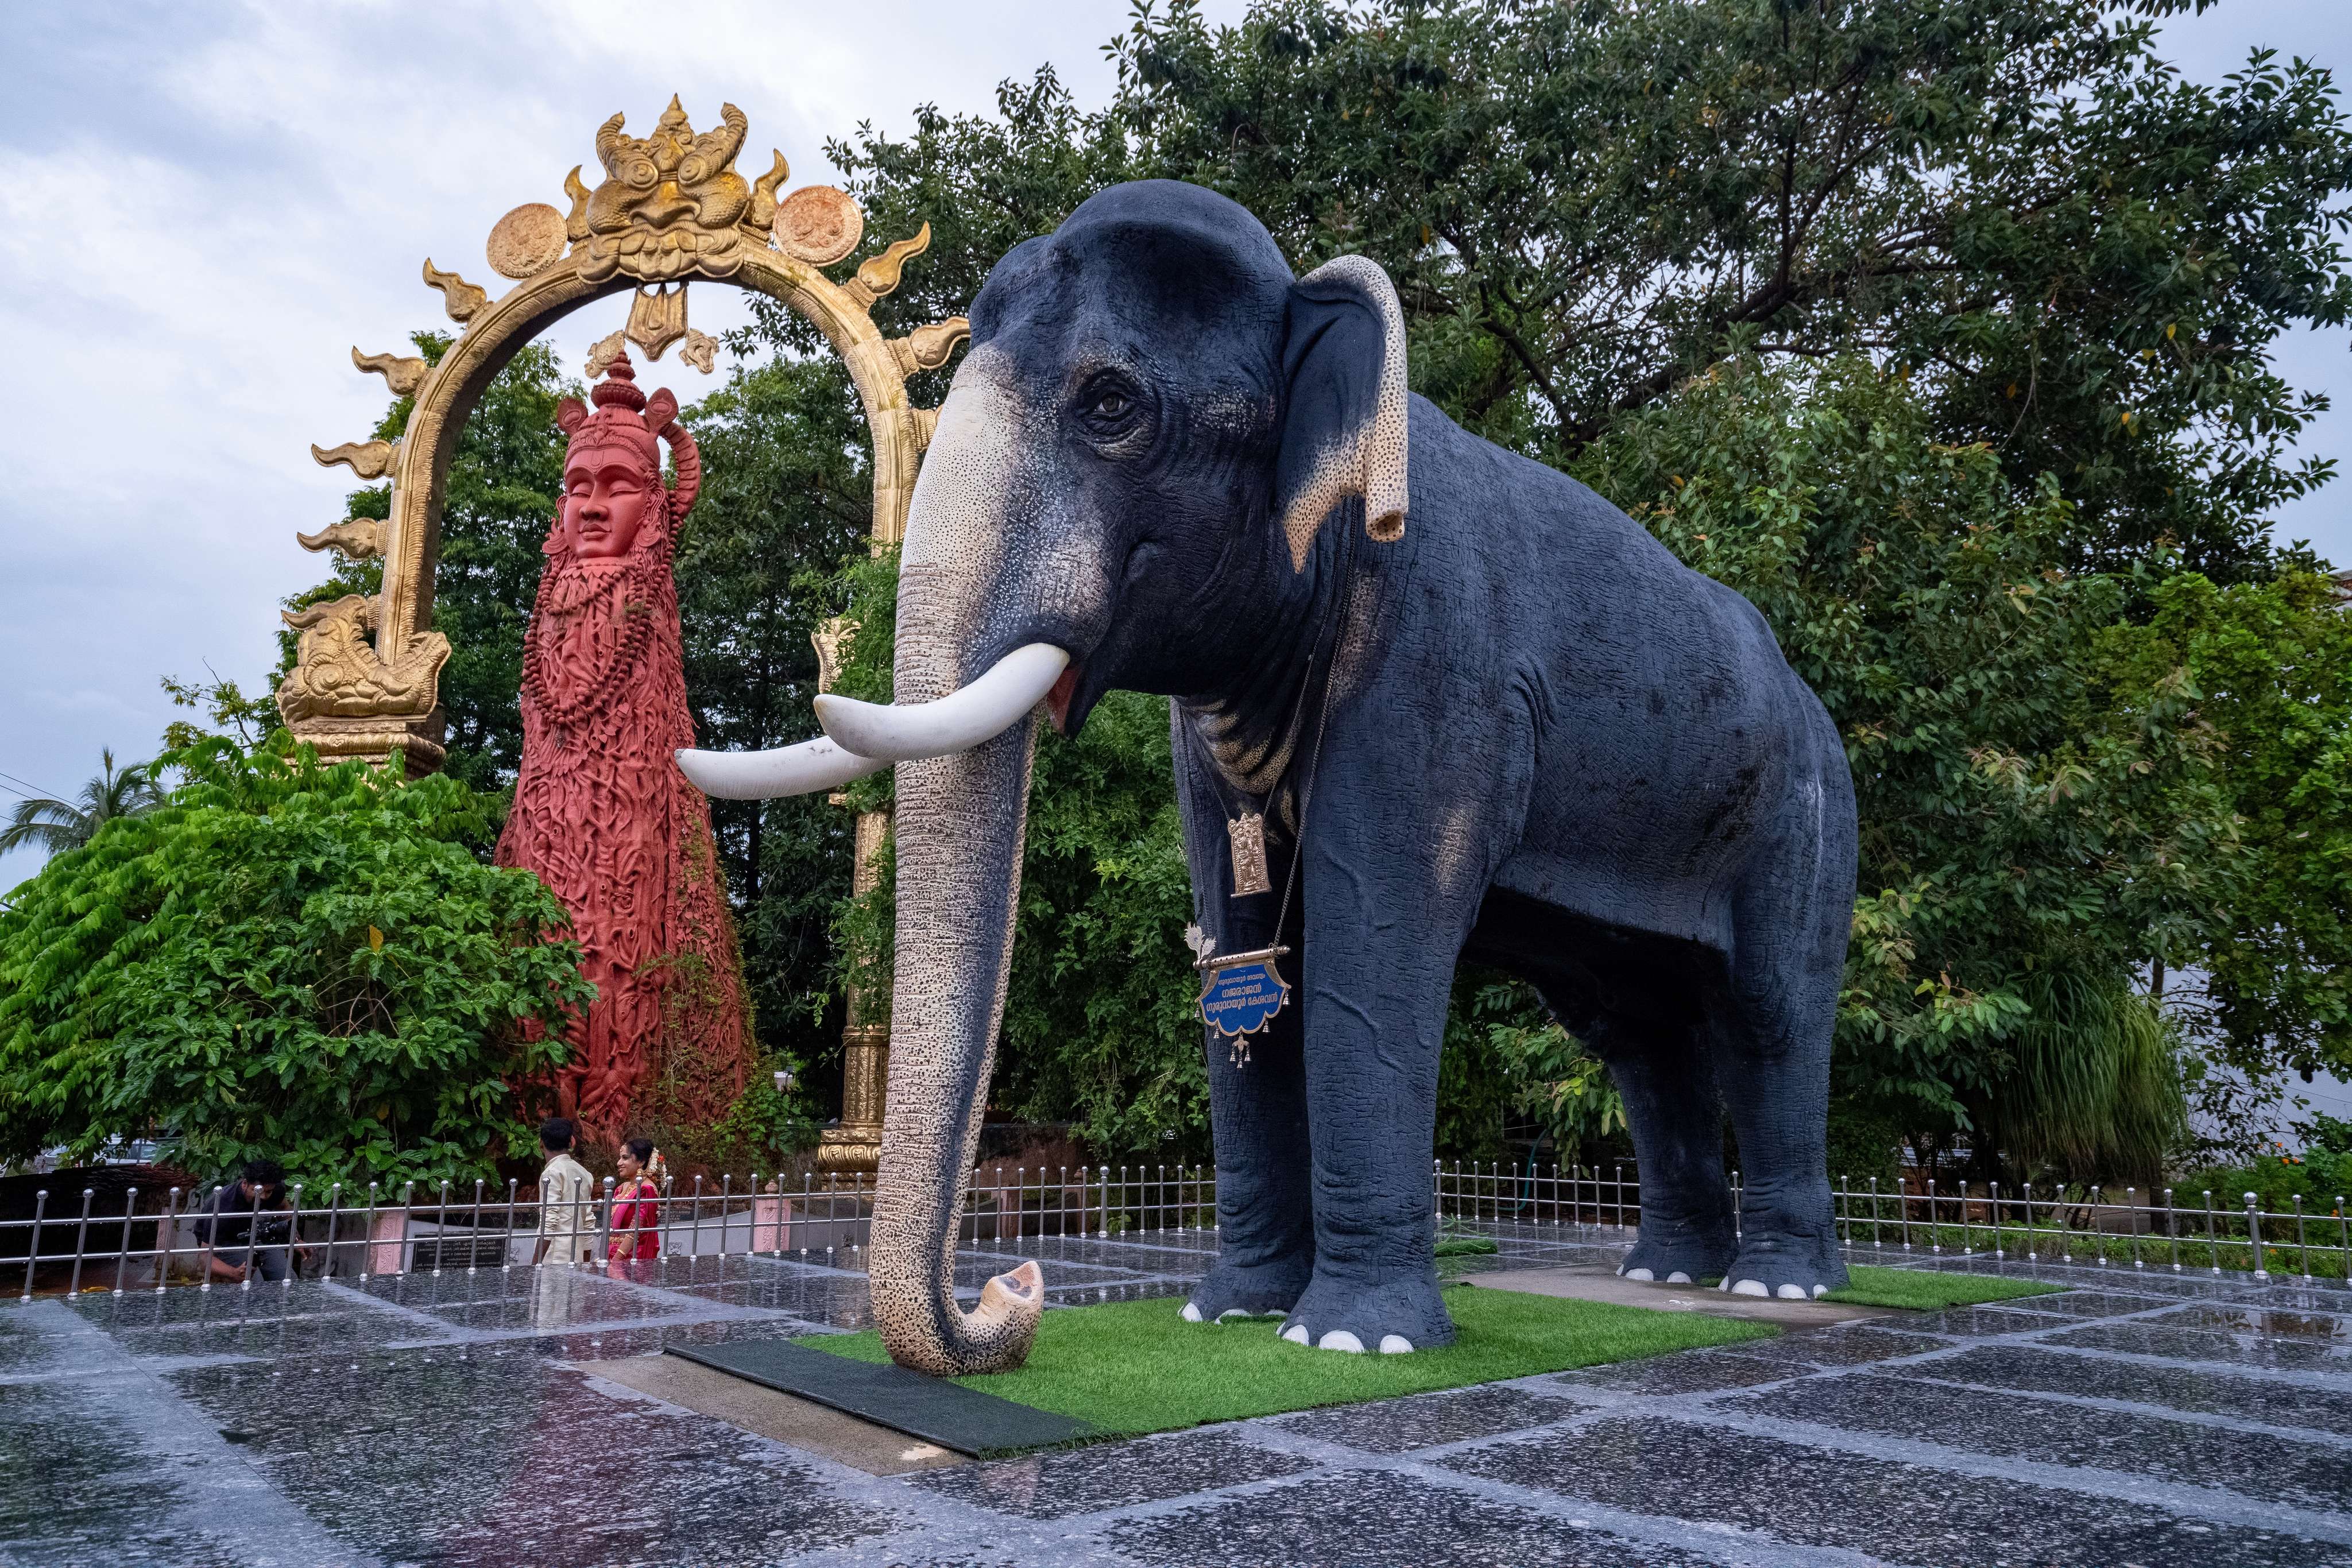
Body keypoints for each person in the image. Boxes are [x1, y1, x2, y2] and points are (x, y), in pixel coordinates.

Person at [195, 1159, 304, 1283]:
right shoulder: (224, 1206)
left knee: (288, 1281)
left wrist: (296, 1239)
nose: (263, 1196)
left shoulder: (274, 1189)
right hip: (224, 1243)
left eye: (268, 1192)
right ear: (245, 1184)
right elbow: (205, 1258)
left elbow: (284, 1208)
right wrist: (233, 1273)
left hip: (255, 1235)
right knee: (254, 1286)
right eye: (258, 1191)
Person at [532, 1118, 597, 1267]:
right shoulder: (584, 1173)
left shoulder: (551, 1173)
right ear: (572, 1142)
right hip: (577, 1258)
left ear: (541, 1143)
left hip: (554, 1258)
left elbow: (548, 1222)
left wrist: (534, 1265)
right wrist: (585, 1262)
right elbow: (588, 1220)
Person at [605, 1137, 664, 1276]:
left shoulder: (647, 1189)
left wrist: (616, 1261)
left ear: (642, 1162)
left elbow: (635, 1230)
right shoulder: (621, 1188)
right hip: (610, 1254)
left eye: (625, 1158)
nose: (619, 1163)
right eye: (620, 1158)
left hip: (630, 1257)